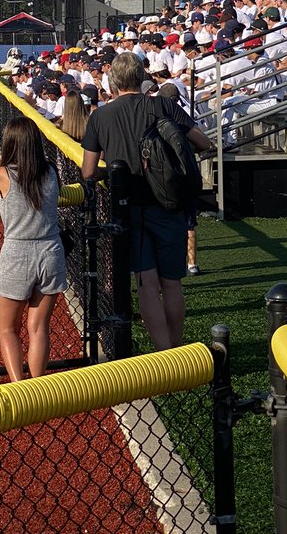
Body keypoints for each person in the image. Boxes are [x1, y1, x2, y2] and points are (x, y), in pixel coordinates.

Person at [81, 52, 211, 350]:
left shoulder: (101, 115)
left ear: (113, 80)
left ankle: (164, 353)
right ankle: (177, 346)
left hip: (129, 206)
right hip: (168, 204)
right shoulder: (162, 104)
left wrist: (115, 172)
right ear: (142, 78)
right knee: (172, 282)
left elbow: (88, 171)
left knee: (147, 285)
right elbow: (204, 142)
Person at [0, 115, 67, 382]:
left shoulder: (3, 175)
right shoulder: (51, 171)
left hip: (17, 254)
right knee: (39, 327)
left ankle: (20, 386)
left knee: (8, 329)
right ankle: (39, 386)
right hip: (51, 251)